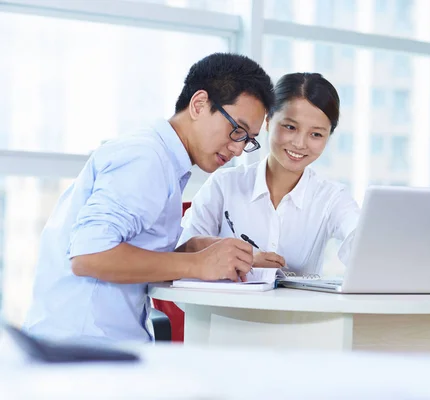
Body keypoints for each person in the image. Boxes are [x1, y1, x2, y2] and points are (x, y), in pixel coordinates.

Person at [23, 53, 274, 343]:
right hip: (82, 351)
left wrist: (190, 251)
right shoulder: (148, 159)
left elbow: (124, 250)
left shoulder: (163, 160)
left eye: (248, 139)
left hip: (96, 345)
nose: (238, 149)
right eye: (237, 130)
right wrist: (197, 264)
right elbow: (89, 256)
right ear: (199, 104)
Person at [179, 73, 360, 277]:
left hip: (295, 310)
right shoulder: (224, 185)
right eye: (290, 127)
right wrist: (239, 257)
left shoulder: (331, 197)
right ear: (268, 121)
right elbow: (181, 254)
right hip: (223, 309)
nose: (300, 143)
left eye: (316, 134)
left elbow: (361, 241)